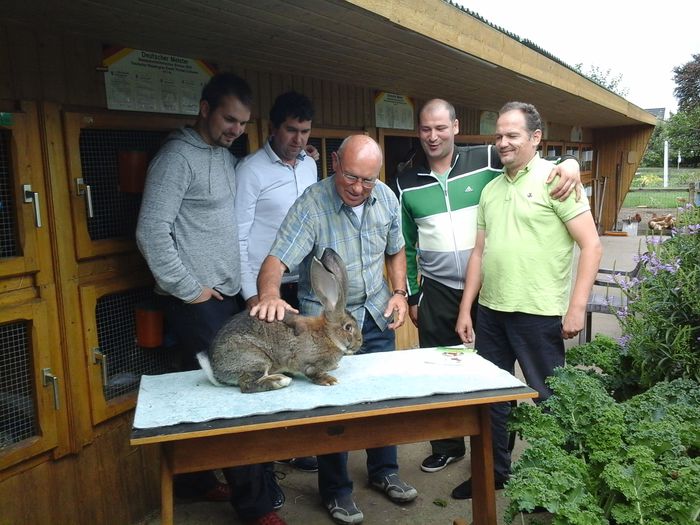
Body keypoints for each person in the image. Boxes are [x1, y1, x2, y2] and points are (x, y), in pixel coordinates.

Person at [394, 98, 582, 489]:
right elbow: (407, 243)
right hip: (443, 291)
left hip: (502, 293)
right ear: (418, 132)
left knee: (522, 388)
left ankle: (535, 471)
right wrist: (413, 294)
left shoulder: (488, 158)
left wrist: (571, 164)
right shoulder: (406, 179)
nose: (433, 136)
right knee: (451, 377)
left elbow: (531, 159)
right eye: (426, 129)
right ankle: (457, 450)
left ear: (456, 127)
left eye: (441, 127)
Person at [135, 72, 287, 525]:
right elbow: (151, 231)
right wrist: (189, 288)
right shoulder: (175, 159)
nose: (236, 130)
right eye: (228, 119)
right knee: (239, 393)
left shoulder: (222, 155)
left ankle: (196, 480)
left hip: (222, 296)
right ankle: (256, 507)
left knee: (203, 392)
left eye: (242, 123)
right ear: (204, 109)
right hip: (195, 302)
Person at [251, 135, 417, 525]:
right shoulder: (311, 204)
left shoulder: (386, 199)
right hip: (325, 327)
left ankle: (384, 471)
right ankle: (337, 491)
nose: (359, 188)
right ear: (335, 163)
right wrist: (270, 295)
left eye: (368, 180)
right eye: (351, 177)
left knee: (381, 400)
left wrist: (398, 292)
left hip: (374, 316)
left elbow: (396, 249)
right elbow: (276, 259)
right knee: (332, 409)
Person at [454, 101, 602, 500]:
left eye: (512, 135)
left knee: (552, 400)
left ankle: (569, 477)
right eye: (499, 136)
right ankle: (494, 471)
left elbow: (591, 246)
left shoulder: (558, 179)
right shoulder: (491, 189)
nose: (503, 142)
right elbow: (479, 254)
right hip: (491, 313)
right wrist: (467, 308)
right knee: (491, 401)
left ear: (535, 138)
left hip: (538, 314)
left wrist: (576, 306)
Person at [235, 90, 319, 473]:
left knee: (299, 364)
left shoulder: (309, 166)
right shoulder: (250, 170)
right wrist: (251, 295)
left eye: (304, 131)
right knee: (267, 369)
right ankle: (267, 458)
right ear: (272, 128)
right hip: (264, 289)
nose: (298, 140)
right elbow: (238, 235)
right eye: (291, 130)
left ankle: (298, 444)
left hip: (303, 284)